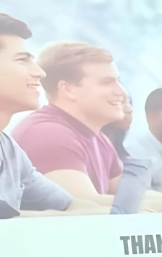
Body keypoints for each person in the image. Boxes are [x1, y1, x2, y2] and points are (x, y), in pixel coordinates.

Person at [0, 14, 104, 218]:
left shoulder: (9, 149)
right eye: (22, 60)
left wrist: (136, 216)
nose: (40, 73)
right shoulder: (47, 131)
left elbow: (67, 205)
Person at [12, 41, 125, 201]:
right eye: (107, 82)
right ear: (68, 89)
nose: (122, 92)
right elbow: (83, 208)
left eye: (119, 81)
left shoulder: (99, 138)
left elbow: (132, 196)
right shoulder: (48, 134)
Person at [101, 94, 152, 214]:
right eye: (121, 103)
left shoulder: (131, 157)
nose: (130, 110)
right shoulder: (91, 152)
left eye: (130, 103)